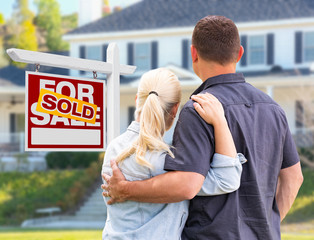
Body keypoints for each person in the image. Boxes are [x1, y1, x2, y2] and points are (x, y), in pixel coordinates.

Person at [102, 15, 303, 239]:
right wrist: (265, 226)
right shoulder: (274, 109)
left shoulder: (197, 109)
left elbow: (186, 183)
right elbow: (294, 178)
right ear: (239, 54)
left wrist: (126, 190)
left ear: (193, 54)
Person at [101, 68, 246, 239]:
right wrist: (220, 121)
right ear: (175, 109)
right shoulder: (167, 160)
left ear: (137, 100)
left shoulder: (114, 148)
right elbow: (226, 179)